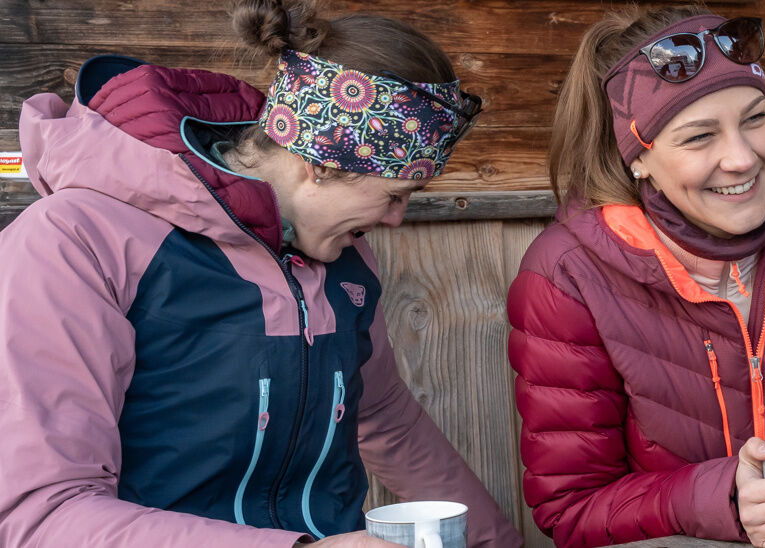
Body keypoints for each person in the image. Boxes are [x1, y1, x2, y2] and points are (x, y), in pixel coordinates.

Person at [0, 1, 518, 547]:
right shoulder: (74, 244)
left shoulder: (342, 258)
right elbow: (42, 516)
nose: (395, 219)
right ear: (318, 164)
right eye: (394, 196)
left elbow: (385, 417)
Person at [506, 5, 765, 548]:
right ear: (638, 158)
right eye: (699, 137)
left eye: (754, 119)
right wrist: (724, 498)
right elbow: (571, 507)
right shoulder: (568, 275)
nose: (742, 158)